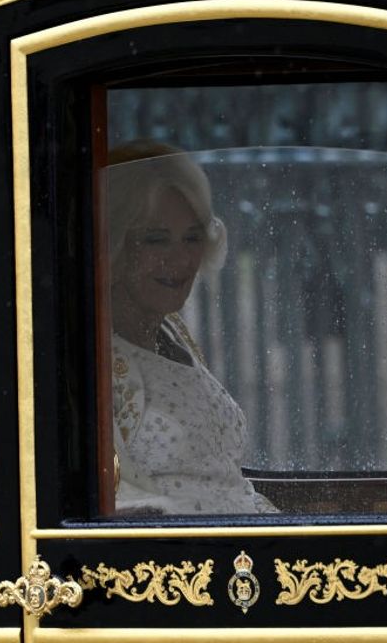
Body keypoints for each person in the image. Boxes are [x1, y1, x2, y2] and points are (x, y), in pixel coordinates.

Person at [106, 141, 276, 515]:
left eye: (192, 238)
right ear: (115, 243)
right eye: (156, 240)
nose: (180, 259)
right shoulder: (91, 357)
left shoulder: (172, 332)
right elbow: (111, 509)